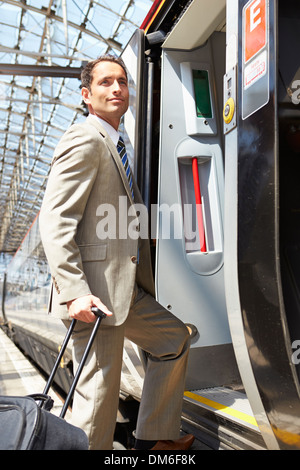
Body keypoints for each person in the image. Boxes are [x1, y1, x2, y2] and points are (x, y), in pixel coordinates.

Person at [39, 55, 193, 450]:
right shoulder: (84, 138)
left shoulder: (118, 142)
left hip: (123, 291)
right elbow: (55, 220)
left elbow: (117, 216)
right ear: (87, 95)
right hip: (93, 294)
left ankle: (154, 441)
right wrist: (74, 292)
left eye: (122, 81)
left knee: (173, 340)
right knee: (97, 400)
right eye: (106, 82)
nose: (117, 88)